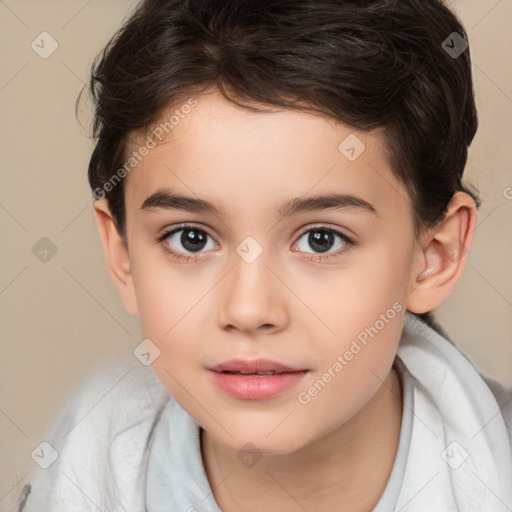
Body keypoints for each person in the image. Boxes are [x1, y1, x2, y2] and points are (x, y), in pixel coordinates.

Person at [14, 0, 512, 510]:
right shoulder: (76, 471)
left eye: (321, 239)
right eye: (191, 239)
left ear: (434, 255)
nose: (249, 310)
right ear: (123, 255)